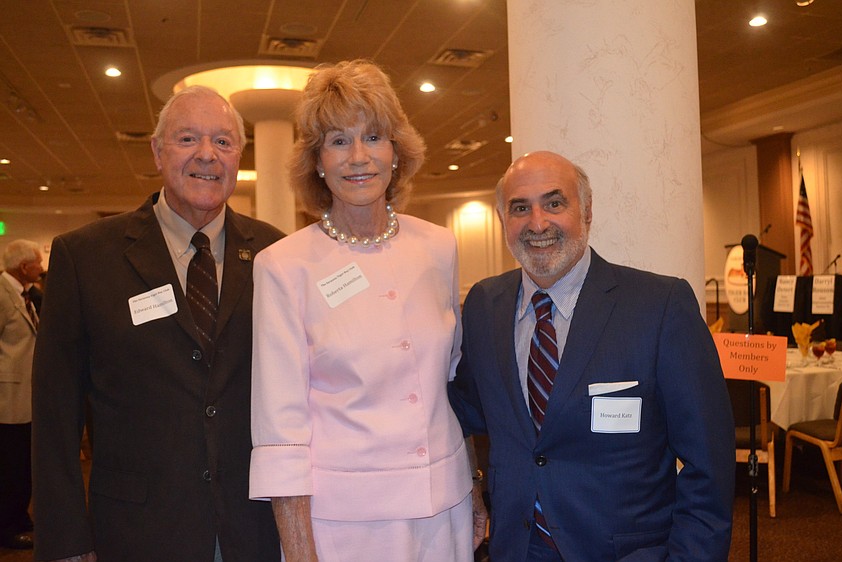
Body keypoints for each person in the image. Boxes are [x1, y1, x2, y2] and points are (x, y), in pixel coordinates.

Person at [31, 85, 284, 562]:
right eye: (188, 138)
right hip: (136, 532)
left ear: (239, 158)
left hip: (254, 529)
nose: (207, 155)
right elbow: (54, 414)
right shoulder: (85, 257)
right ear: (157, 151)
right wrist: (64, 541)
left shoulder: (277, 254)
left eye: (224, 142)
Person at [249, 59, 485, 562]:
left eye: (374, 137)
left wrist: (475, 488)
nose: (359, 157)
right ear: (316, 161)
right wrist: (298, 548)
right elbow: (280, 428)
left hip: (444, 507)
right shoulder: (283, 266)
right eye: (338, 140)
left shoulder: (438, 248)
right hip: (346, 524)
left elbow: (452, 386)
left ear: (396, 151)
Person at [449, 151, 735, 561]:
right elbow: (468, 407)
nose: (537, 223)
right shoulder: (484, 304)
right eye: (519, 208)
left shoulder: (660, 306)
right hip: (516, 548)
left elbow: (710, 464)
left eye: (554, 202)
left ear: (586, 212)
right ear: (503, 221)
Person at [0, 240, 43, 550]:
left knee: (22, 464)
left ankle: (19, 517)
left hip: (25, 399)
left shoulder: (28, 296)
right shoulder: (1, 294)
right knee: (9, 466)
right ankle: (6, 527)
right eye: (37, 263)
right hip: (6, 399)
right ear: (23, 266)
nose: (41, 269)